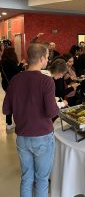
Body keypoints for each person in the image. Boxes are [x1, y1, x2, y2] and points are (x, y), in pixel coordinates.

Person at [2, 43, 59, 197]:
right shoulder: (47, 81)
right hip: (42, 137)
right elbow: (52, 111)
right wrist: (59, 105)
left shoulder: (15, 80)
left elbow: (5, 110)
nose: (47, 60)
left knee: (27, 178)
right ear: (41, 58)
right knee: (41, 180)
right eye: (47, 57)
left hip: (22, 138)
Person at [1, 47, 25, 130]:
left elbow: (11, 71)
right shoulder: (10, 61)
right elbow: (17, 71)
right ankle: (9, 123)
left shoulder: (3, 61)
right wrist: (21, 64)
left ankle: (10, 122)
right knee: (11, 103)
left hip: (5, 84)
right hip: (11, 85)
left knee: (10, 102)